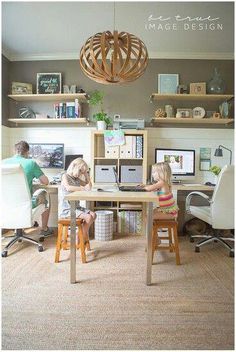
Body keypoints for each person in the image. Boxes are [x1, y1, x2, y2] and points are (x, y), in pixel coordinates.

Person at [2, 140, 53, 237]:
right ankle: (44, 229)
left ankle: (19, 229)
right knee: (46, 197)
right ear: (27, 152)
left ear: (14, 151)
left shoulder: (3, 163)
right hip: (25, 203)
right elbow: (45, 182)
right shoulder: (31, 163)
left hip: (6, 203)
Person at [58, 158, 96, 251]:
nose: (80, 173)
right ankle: (79, 237)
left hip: (76, 207)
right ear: (74, 166)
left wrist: (86, 174)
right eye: (80, 170)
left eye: (81, 172)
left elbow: (89, 187)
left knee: (93, 215)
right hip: (67, 209)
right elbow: (68, 187)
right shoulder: (65, 176)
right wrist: (83, 188)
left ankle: (80, 234)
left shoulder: (77, 179)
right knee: (88, 217)